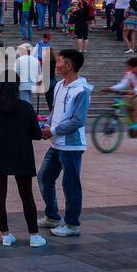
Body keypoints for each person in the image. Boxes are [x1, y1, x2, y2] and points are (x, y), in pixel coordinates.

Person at [0, 80, 46, 247]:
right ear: (17, 87)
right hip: (21, 154)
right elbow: (36, 134)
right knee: (27, 196)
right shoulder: (26, 107)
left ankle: (5, 235)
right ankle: (34, 236)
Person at [39, 49, 92, 237]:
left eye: (59, 61)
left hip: (71, 146)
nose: (56, 64)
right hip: (56, 143)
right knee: (44, 177)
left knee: (70, 184)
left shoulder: (82, 90)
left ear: (69, 66)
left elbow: (78, 120)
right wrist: (46, 123)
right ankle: (52, 216)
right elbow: (55, 111)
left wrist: (52, 130)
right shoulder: (60, 85)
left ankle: (72, 224)